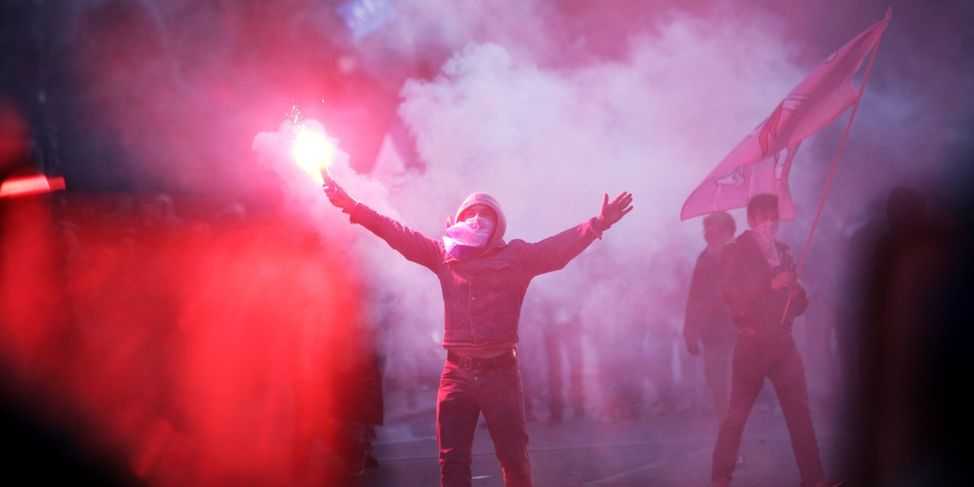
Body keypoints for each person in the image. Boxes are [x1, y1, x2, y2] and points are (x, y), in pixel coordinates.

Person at [322, 177, 632, 487]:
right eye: (470, 213)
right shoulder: (442, 254)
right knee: (453, 461)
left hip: (501, 374)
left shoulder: (517, 256)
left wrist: (597, 224)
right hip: (456, 374)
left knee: (513, 458)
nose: (477, 219)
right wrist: (353, 207)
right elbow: (397, 233)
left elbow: (557, 249)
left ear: (498, 225)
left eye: (486, 214)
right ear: (458, 220)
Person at [710, 194, 839, 487]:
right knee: (737, 416)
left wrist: (796, 295)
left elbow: (798, 303)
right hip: (752, 344)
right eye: (764, 218)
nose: (770, 224)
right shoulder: (736, 252)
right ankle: (720, 478)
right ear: (752, 220)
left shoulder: (784, 252)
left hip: (782, 344)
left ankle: (815, 480)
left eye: (774, 218)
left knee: (799, 414)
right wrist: (770, 285)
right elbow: (731, 295)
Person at [684, 212, 737, 421]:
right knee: (716, 384)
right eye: (707, 228)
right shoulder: (703, 259)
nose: (708, 232)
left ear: (726, 232)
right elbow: (694, 298)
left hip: (737, 332)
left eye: (713, 227)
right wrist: (690, 331)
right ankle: (727, 429)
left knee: (734, 385)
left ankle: (734, 431)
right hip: (711, 334)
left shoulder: (739, 256)